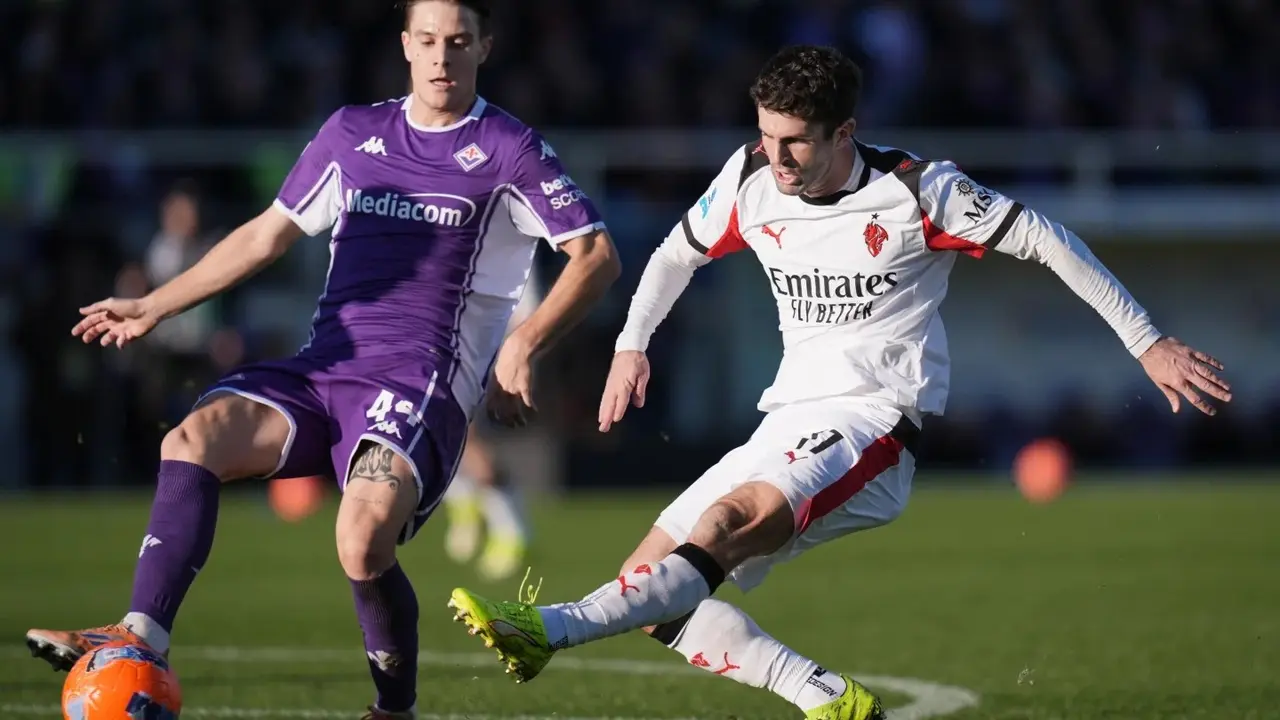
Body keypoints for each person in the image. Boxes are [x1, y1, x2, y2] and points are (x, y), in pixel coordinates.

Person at [445, 45, 1231, 720]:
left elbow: (1046, 237)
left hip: (877, 424)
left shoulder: (921, 193)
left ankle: (545, 628)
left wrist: (1147, 341)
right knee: (653, 593)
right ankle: (827, 697)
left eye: (794, 143)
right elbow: (677, 253)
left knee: (721, 522)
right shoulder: (752, 177)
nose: (775, 158)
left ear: (845, 132)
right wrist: (631, 345)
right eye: (765, 136)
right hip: (787, 416)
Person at [25, 2, 621, 719]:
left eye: (458, 42)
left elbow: (596, 256)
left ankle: (392, 709)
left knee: (360, 538)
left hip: (419, 383)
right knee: (191, 438)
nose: (441, 57)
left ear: (484, 47)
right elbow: (266, 236)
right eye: (428, 41)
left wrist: (523, 344)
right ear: (405, 45)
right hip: (325, 368)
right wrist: (156, 305)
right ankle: (139, 635)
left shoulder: (509, 147)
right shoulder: (353, 132)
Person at [442, 266, 541, 580]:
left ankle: (511, 529)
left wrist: (513, 354)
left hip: (485, 348)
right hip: (445, 343)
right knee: (444, 434)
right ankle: (465, 500)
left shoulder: (511, 233)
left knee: (465, 438)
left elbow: (527, 307)